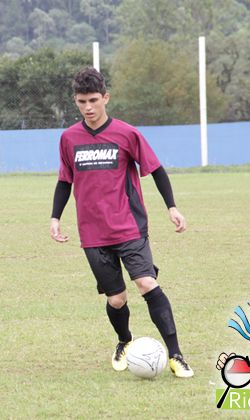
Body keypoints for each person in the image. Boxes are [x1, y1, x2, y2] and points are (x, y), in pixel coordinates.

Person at [49, 67, 194, 378]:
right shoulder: (69, 138)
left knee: (146, 283)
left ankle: (176, 355)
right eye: (81, 102)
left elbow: (157, 170)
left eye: (93, 100)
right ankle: (124, 341)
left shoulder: (127, 134)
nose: (88, 107)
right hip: (93, 233)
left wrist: (172, 207)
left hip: (129, 227)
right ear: (75, 102)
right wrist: (55, 217)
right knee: (116, 299)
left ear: (106, 98)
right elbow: (64, 181)